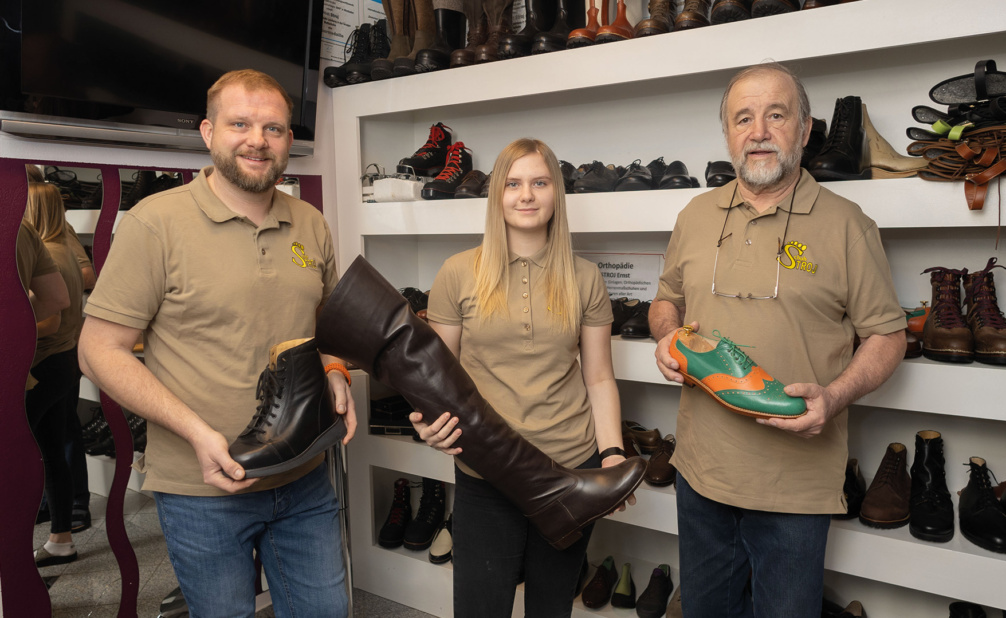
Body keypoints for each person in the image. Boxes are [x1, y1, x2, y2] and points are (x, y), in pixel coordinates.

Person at [78, 69, 355, 617]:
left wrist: (337, 371)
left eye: (274, 128)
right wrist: (197, 434)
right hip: (203, 489)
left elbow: (328, 324)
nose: (258, 140)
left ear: (289, 141)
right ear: (208, 132)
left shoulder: (311, 223)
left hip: (304, 479)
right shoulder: (156, 224)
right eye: (240, 123)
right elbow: (98, 349)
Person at [648, 63, 907, 617]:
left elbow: (887, 335)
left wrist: (833, 398)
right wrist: (668, 337)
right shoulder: (695, 215)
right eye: (743, 118)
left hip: (795, 487)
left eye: (776, 115)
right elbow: (666, 299)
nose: (758, 131)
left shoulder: (846, 225)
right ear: (727, 133)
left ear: (805, 128)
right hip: (700, 474)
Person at [410, 138, 634, 618]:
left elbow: (598, 377)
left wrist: (612, 453)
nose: (526, 195)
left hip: (570, 470)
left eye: (539, 182)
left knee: (551, 608)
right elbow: (437, 377)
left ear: (556, 193)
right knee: (480, 607)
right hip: (486, 468)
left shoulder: (586, 277)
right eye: (513, 183)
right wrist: (427, 423)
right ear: (497, 195)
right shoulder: (457, 273)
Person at [23, 182, 87, 568]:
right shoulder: (67, 249)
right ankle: (61, 539)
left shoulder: (45, 253)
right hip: (66, 360)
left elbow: (50, 319)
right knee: (52, 452)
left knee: (21, 454)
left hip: (45, 362)